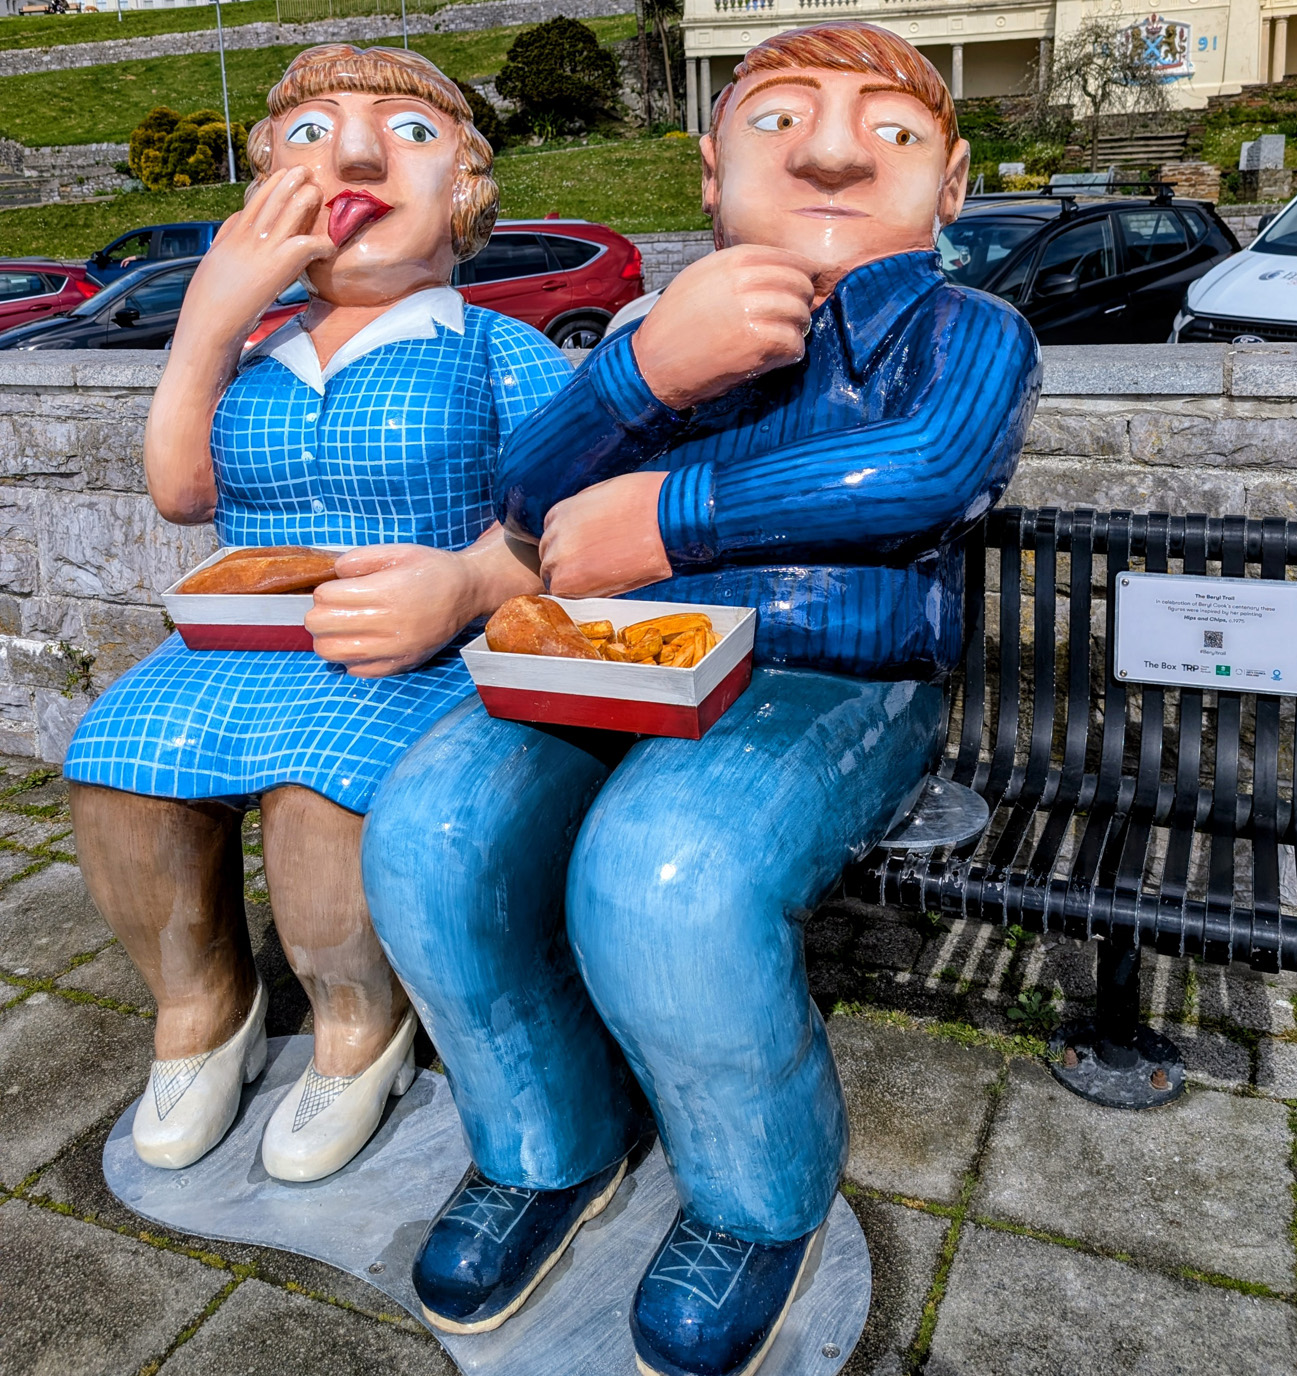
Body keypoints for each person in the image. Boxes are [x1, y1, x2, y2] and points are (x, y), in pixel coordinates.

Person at [362, 22, 1041, 1375]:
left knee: (667, 870)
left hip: (831, 678)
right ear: (708, 171)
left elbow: (927, 468)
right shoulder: (656, 327)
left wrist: (677, 512)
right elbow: (529, 498)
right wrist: (643, 375)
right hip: (625, 666)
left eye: (892, 135)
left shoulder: (969, 330)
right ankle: (547, 1141)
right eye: (782, 122)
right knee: (433, 828)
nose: (838, 153)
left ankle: (753, 1194)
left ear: (950, 185)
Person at [63, 45, 569, 1184]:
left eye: (405, 131)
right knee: (118, 767)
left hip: (414, 651)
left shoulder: (497, 349)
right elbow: (183, 492)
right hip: (236, 643)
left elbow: (572, 524)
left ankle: (356, 1025)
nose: (349, 152)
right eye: (308, 134)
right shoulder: (253, 350)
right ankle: (200, 1012)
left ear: (467, 188)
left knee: (318, 805)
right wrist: (206, 317)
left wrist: (473, 583)